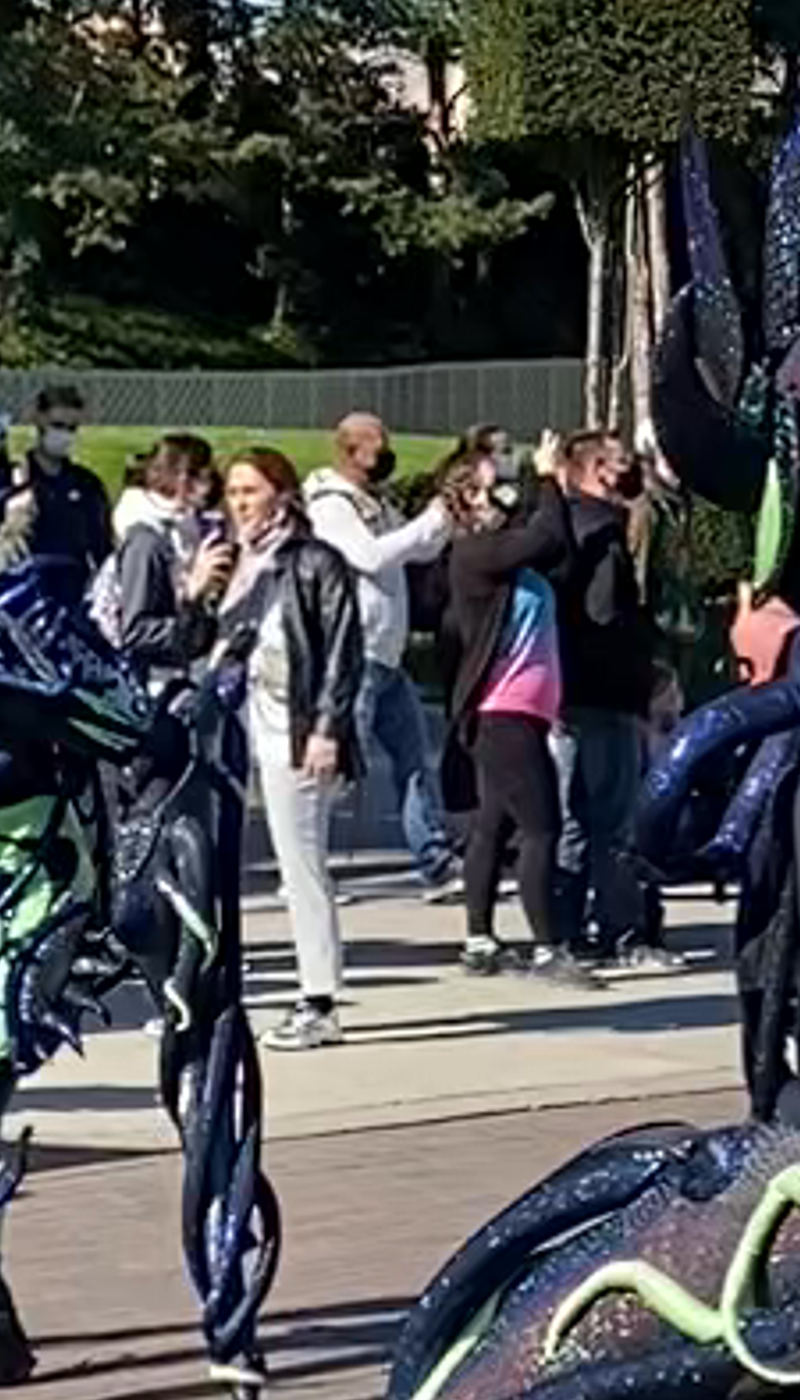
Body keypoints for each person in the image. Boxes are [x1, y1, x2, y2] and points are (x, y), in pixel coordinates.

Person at [207, 450, 365, 1044]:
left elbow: (341, 650)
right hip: (238, 726)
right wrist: (200, 587)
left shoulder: (315, 561)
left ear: (282, 493)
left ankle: (318, 998)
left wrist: (327, 727)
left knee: (301, 865)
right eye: (233, 492)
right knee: (220, 866)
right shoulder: (239, 561)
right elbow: (201, 639)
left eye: (251, 490)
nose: (240, 502)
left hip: (292, 730)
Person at [308, 413, 458, 879]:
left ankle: (432, 857)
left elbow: (416, 550)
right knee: (340, 773)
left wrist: (445, 519)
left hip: (389, 656)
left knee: (413, 760)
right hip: (355, 652)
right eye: (377, 447)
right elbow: (369, 557)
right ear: (349, 451)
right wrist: (425, 522)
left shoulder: (375, 502)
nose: (386, 454)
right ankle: (308, 864)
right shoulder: (331, 505)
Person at [439, 440, 570, 970]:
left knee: (493, 824)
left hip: (522, 711)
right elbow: (548, 535)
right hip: (503, 711)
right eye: (495, 488)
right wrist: (549, 480)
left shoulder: (506, 553)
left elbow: (555, 547)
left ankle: (480, 939)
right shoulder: (475, 554)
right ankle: (547, 947)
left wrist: (532, 494)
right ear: (469, 499)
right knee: (542, 827)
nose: (506, 496)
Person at [549, 429, 661, 968]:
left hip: (566, 689)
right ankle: (623, 932)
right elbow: (606, 616)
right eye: (623, 465)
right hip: (605, 690)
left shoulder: (562, 526)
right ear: (598, 470)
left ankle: (568, 928)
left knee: (573, 813)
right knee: (613, 817)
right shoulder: (604, 535)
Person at [97, 432, 219, 661]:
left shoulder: (186, 528)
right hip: (152, 676)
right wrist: (203, 630)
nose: (212, 485)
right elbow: (135, 632)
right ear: (181, 478)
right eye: (205, 475)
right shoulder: (146, 542)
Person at [12, 390, 114, 599]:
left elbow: (102, 548)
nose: (65, 435)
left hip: (74, 593)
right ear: (39, 420)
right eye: (57, 426)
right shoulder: (14, 479)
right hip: (26, 591)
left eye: (72, 428)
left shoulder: (87, 485)